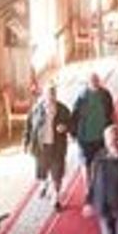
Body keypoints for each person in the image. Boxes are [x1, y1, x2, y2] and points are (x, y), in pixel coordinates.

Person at [23, 80, 72, 209]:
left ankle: (56, 197)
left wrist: (65, 127)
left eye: (53, 93)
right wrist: (26, 142)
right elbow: (28, 126)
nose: (51, 96)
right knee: (42, 170)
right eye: (48, 94)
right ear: (44, 95)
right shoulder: (36, 109)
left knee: (57, 173)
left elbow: (72, 124)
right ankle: (44, 184)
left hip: (57, 147)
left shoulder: (63, 110)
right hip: (41, 147)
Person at [69, 73, 115, 169]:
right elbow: (74, 116)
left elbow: (111, 112)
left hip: (102, 136)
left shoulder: (105, 94)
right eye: (92, 81)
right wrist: (72, 133)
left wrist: (114, 128)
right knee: (86, 164)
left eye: (96, 80)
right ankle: (89, 184)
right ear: (88, 83)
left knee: (103, 162)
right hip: (85, 138)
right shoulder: (82, 97)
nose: (95, 83)